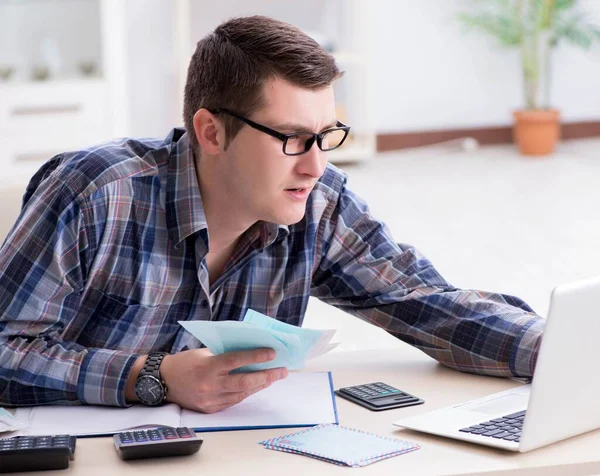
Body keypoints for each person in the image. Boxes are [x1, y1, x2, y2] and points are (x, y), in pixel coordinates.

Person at [0, 16, 543, 413]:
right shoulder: (97, 194)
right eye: (292, 137)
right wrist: (153, 376)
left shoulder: (320, 202)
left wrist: (561, 350)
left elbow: (425, 304)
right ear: (211, 132)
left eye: (327, 135)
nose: (316, 164)